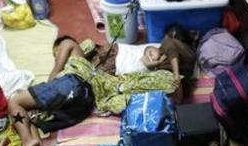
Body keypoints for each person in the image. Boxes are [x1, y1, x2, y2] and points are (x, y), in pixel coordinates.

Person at [46, 33, 191, 112]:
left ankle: (169, 96)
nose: (59, 58)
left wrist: (60, 64)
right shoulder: (83, 64)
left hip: (114, 65)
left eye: (57, 54)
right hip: (114, 74)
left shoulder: (77, 49)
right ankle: (167, 98)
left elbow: (80, 47)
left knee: (132, 87)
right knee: (132, 89)